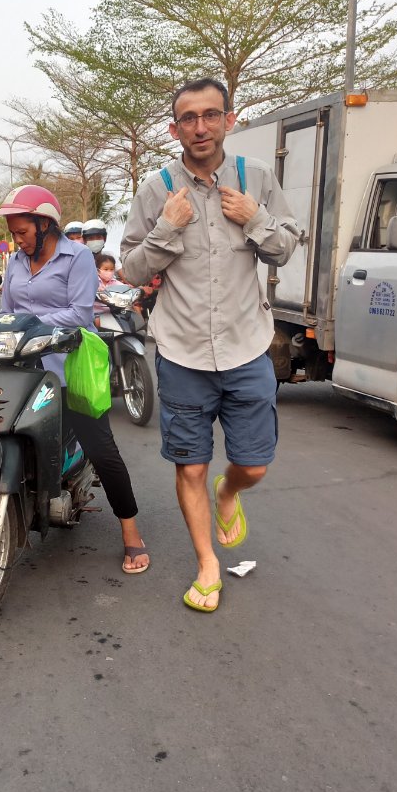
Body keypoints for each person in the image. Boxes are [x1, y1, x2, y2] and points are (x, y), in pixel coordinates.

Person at [120, 77, 299, 612]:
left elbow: (285, 249)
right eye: (189, 118)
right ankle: (207, 565)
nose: (200, 126)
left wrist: (256, 219)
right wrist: (166, 229)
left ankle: (229, 494)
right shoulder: (156, 191)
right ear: (174, 128)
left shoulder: (258, 180)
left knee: (254, 466)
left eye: (211, 115)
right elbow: (131, 269)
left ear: (229, 119)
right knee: (190, 466)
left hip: (247, 347)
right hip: (182, 352)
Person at [0, 185, 149, 575]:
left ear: (45, 224)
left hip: (66, 366)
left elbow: (80, 314)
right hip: (19, 367)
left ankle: (131, 533)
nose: (18, 240)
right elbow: (5, 311)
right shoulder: (15, 260)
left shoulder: (77, 257)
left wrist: (30, 326)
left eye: (23, 232)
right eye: (14, 233)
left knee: (102, 448)